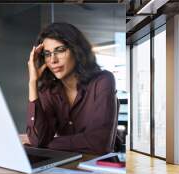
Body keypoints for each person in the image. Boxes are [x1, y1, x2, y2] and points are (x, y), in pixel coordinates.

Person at [26, 22, 118, 155]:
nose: (53, 60)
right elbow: (37, 139)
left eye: (60, 50)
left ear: (76, 50)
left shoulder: (103, 81)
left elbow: (99, 143)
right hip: (66, 165)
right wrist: (32, 82)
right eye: (47, 54)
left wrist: (45, 144)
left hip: (100, 169)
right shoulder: (49, 90)